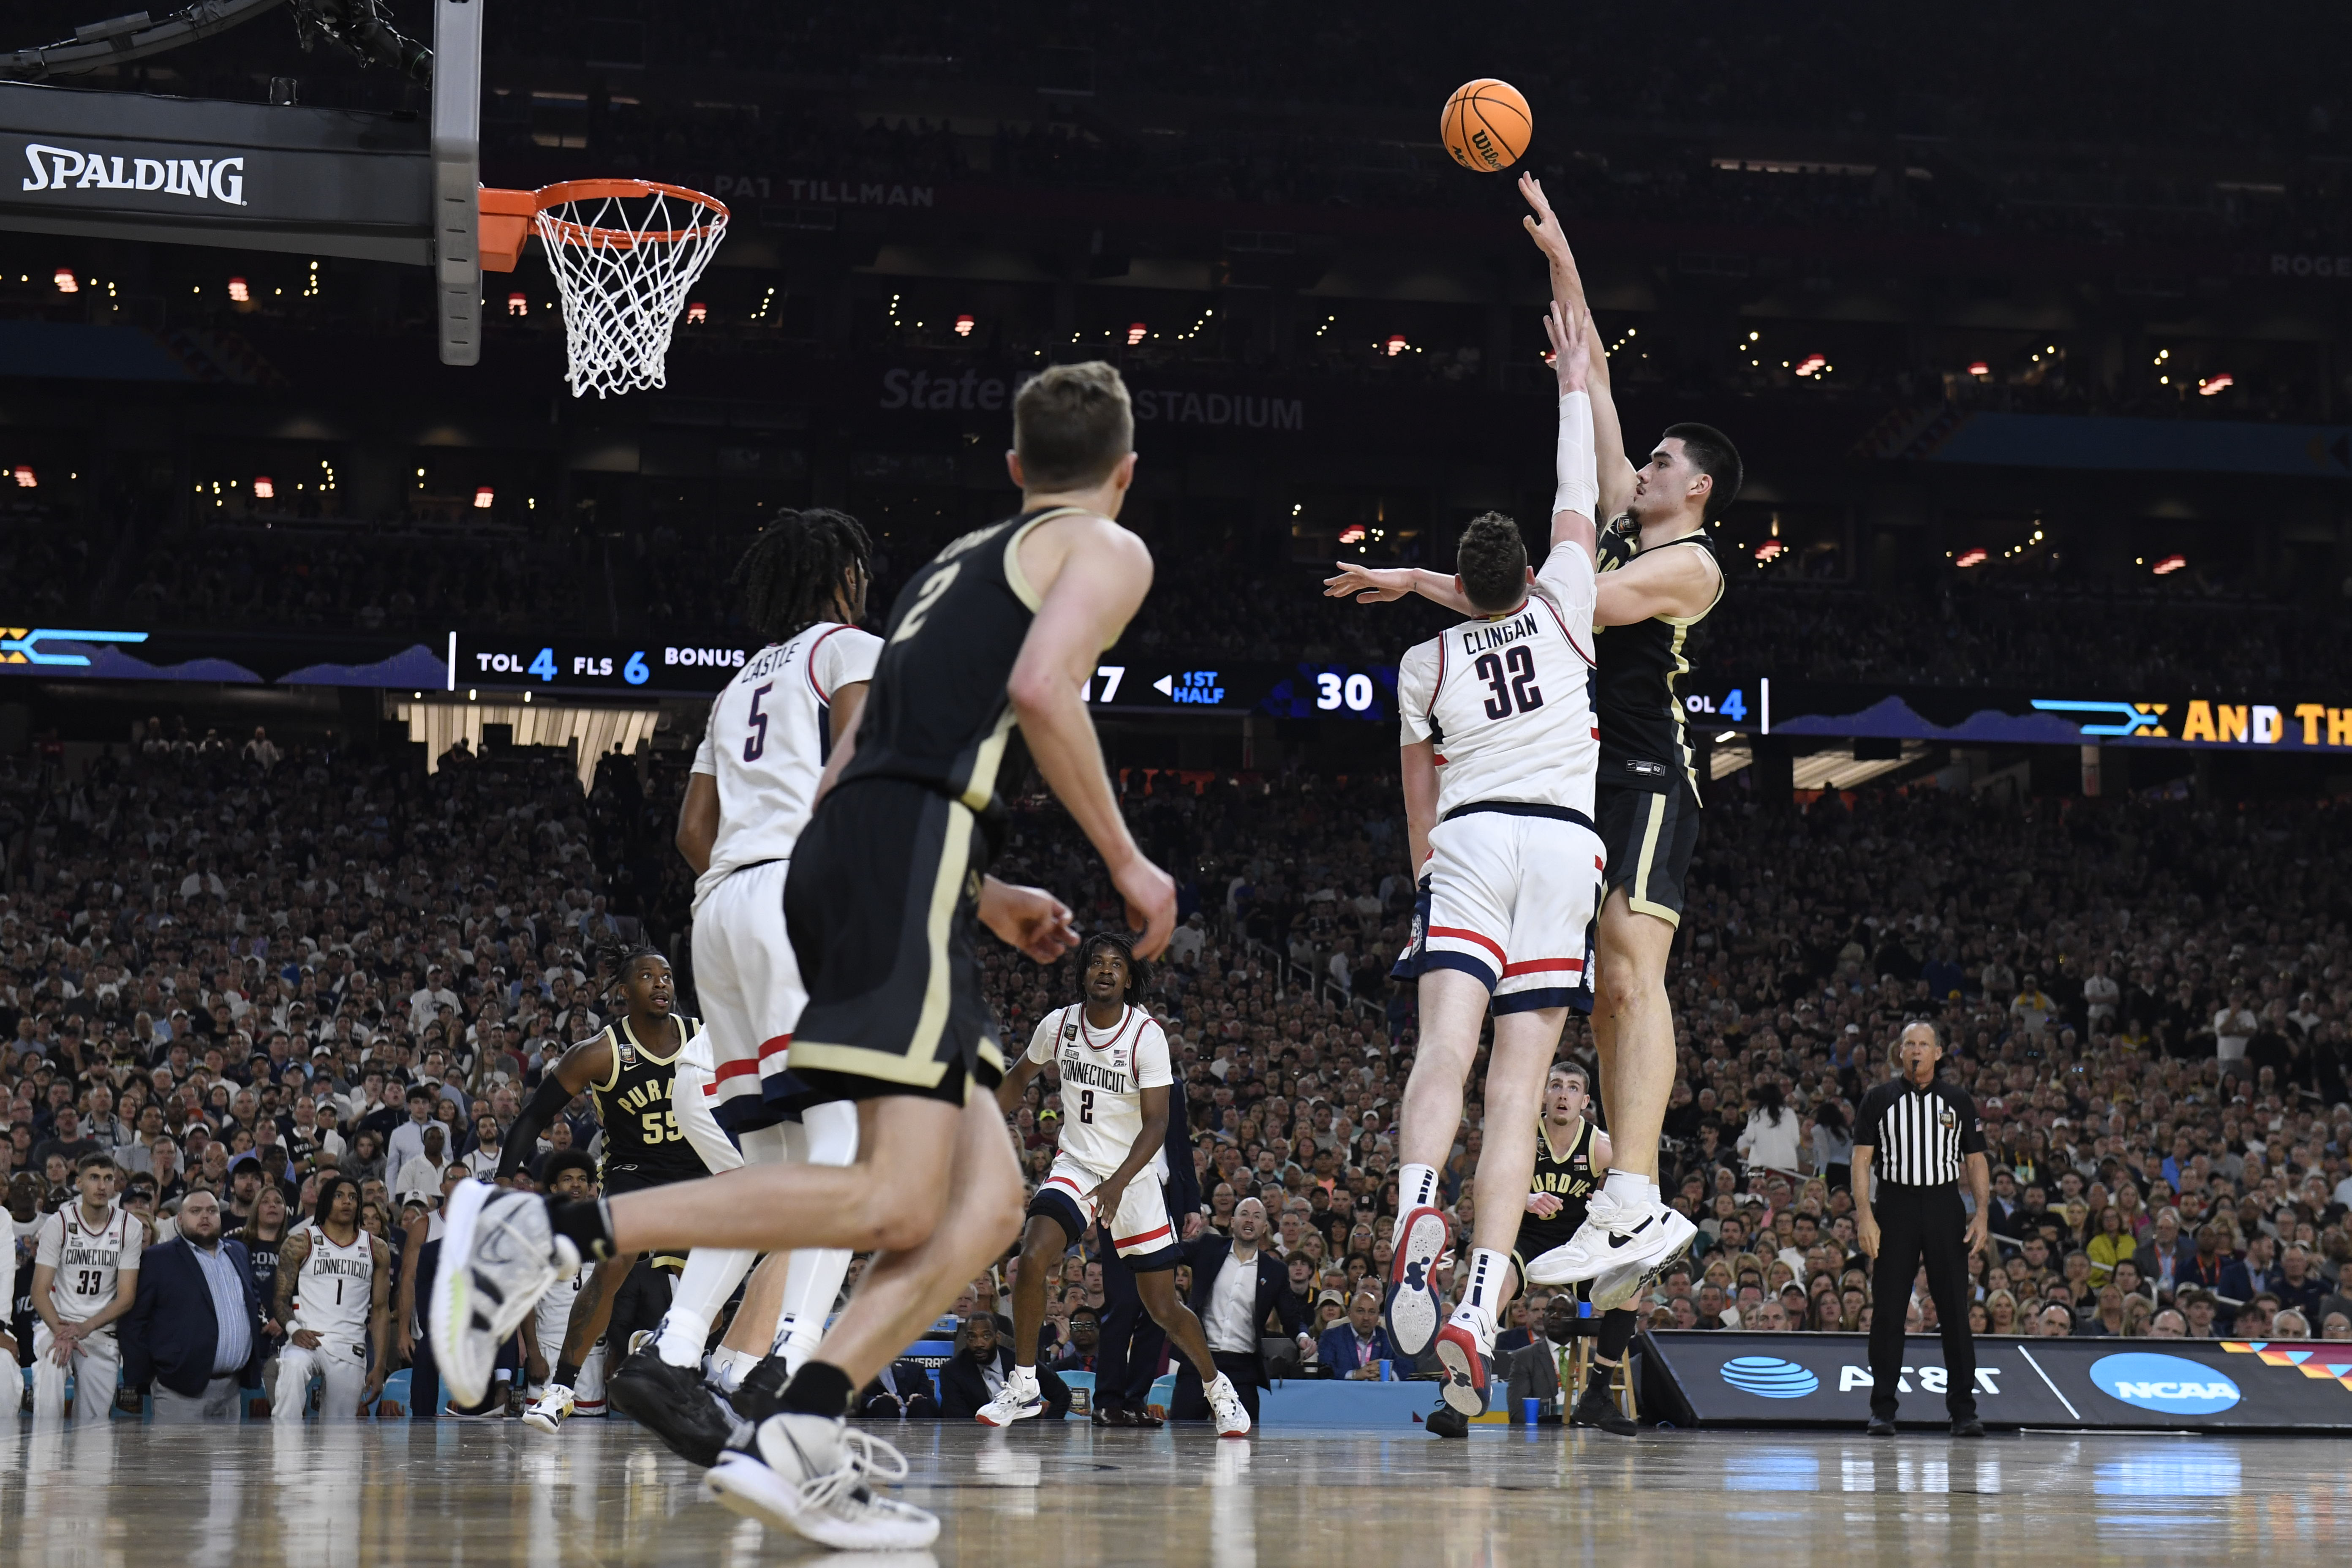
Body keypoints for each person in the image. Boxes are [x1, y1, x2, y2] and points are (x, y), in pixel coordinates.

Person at [435, 358, 1171, 1552]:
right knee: (882, 1185)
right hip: (859, 878)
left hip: (813, 881)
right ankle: (563, 1244)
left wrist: (979, 900)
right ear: (1123, 475)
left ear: (1012, 469)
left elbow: (810, 793)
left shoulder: (947, 575)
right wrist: (1128, 863)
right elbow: (1042, 688)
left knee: (980, 1204)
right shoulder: (1097, 548)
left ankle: (793, 1428)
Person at [1330, 177, 1732, 1307]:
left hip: (1654, 772)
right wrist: (1563, 258)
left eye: (1656, 464)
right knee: (1600, 983)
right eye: (1639, 462)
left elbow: (1570, 610)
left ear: (1692, 488)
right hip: (1578, 779)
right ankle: (1620, 1195)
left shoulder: (1691, 565)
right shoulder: (1612, 520)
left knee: (1633, 969)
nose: (1638, 468)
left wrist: (1427, 581)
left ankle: (1639, 1189)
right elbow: (1590, 373)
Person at [1330, 298, 1611, 1422]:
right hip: (1564, 851)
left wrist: (1425, 890)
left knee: (1442, 1051)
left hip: (1473, 839)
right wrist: (1570, 381)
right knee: (1519, 1092)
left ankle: (1414, 1215)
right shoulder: (1570, 605)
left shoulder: (1421, 662)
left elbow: (1417, 795)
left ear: (1458, 576)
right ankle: (1480, 1306)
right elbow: (1577, 493)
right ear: (1527, 571)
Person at [607, 510, 886, 1467]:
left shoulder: (737, 684)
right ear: (844, 573)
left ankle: (677, 1348)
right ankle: (799, 1362)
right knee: (848, 1147)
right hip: (784, 889)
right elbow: (861, 759)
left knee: (767, 1165)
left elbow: (692, 828)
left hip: (717, 906)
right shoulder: (848, 648)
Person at [979, 933, 1251, 1434]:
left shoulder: (1146, 1036)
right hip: (1078, 1165)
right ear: (1084, 972)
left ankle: (1219, 1388)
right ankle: (1023, 1386)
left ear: (1129, 978)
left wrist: (1119, 1183)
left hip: (1137, 1176)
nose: (1106, 970)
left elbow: (1157, 1124)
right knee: (1034, 1255)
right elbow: (1019, 1078)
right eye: (1097, 962)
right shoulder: (1058, 1026)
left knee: (1163, 1307)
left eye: (1116, 965)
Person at [495, 946, 704, 1434]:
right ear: (624, 991)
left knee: (723, 1271)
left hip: (697, 1170)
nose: (661, 984)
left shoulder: (701, 1037)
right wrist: (506, 1177)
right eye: (648, 976)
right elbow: (534, 1116)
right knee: (613, 1263)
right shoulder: (600, 1052)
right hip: (635, 1172)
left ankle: (686, 1360)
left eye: (667, 976)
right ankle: (562, 1390)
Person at [1853, 1022, 1990, 1436]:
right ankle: (1883, 1408)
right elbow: (1861, 1160)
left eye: (1924, 1045)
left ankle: (1964, 1410)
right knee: (1889, 1310)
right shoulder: (1878, 1099)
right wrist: (1865, 1214)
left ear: (1939, 1053)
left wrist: (1982, 1211)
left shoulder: (1958, 1100)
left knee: (1954, 1310)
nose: (1916, 1051)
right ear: (1900, 1052)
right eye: (1909, 1044)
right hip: (1895, 1203)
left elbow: (1976, 1160)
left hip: (1945, 1203)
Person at [122, 1188, 264, 1420]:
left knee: (231, 1459)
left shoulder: (239, 1252)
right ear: (180, 1220)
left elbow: (253, 1304)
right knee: (179, 1458)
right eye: (195, 1211)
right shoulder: (159, 1259)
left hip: (232, 1391)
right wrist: (148, 1376)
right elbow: (135, 1321)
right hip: (179, 1391)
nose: (205, 1217)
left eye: (212, 1211)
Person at [1171, 1199, 1313, 1426]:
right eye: (1245, 1214)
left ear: (1265, 1227)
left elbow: (1291, 1316)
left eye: (1257, 1216)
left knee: (1246, 1440)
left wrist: (1303, 1338)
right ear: (1233, 1222)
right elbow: (1172, 1252)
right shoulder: (1208, 1247)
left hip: (1242, 1367)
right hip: (1198, 1359)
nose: (1250, 1220)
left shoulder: (1275, 1271)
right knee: (1181, 1432)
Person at [30, 1152, 144, 1424]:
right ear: (79, 1182)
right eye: (94, 1178)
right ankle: (45, 1462)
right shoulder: (58, 1224)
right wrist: (62, 1333)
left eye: (108, 1179)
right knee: (52, 1369)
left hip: (100, 1331)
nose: (102, 1186)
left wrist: (85, 1328)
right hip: (55, 1325)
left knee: (94, 1427)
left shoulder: (130, 1227)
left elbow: (127, 1297)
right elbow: (39, 1290)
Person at [272, 1174, 392, 1421]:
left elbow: (380, 1310)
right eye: (339, 1196)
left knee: (341, 1439)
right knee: (293, 1366)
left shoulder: (376, 1248)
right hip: (308, 1338)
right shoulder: (300, 1242)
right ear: (326, 1201)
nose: (347, 1202)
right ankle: (285, 1454)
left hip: (351, 1345)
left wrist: (379, 1366)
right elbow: (280, 1300)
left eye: (353, 1197)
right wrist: (294, 1330)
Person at [523, 1153, 610, 1418]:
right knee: (541, 1446)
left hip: (592, 1350)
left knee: (587, 1448)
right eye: (568, 1179)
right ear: (553, 1187)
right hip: (549, 1347)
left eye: (582, 1179)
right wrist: (533, 1353)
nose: (576, 1185)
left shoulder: (605, 1229)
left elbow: (612, 1294)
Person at [939, 1311, 1070, 1421]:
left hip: (1024, 1440)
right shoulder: (952, 1371)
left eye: (986, 1336)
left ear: (998, 1337)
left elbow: (1062, 1394)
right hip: (978, 1443)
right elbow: (959, 1420)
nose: (979, 1343)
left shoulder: (1020, 1361)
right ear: (965, 1339)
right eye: (972, 1337)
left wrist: (1048, 1429)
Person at [1318, 1288, 1394, 1379]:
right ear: (1349, 1314)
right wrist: (1355, 1375)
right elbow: (1325, 1371)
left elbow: (1405, 1367)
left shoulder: (1389, 1339)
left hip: (1380, 1392)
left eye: (1372, 1312)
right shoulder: (1331, 1337)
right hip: (1343, 1392)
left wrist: (1387, 1375)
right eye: (1360, 1311)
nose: (1366, 1318)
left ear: (1378, 1316)